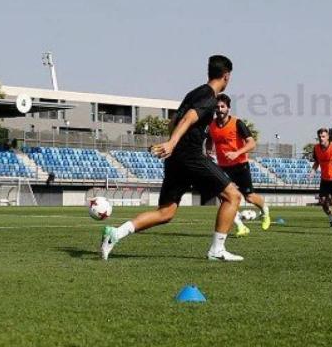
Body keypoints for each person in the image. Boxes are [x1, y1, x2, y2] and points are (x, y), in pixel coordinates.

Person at [100, 55, 245, 262]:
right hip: (190, 155)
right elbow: (189, 118)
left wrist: (171, 143)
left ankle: (116, 234)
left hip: (177, 158)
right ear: (226, 75)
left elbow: (174, 120)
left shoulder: (193, 93)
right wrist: (173, 143)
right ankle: (217, 250)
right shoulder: (209, 97)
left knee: (166, 212)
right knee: (233, 196)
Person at [209, 94, 271, 236]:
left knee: (249, 197)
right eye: (217, 107)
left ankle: (265, 211)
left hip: (240, 165)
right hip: (223, 167)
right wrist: (207, 149)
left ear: (228, 108)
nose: (219, 109)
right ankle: (241, 227)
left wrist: (237, 153)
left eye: (222, 106)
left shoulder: (237, 123)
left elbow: (252, 143)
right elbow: (209, 139)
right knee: (225, 198)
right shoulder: (211, 125)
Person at [310, 128, 332, 227]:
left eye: (323, 136)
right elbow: (316, 162)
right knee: (323, 201)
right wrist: (312, 171)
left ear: (328, 137)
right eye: (320, 137)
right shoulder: (316, 148)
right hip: (324, 179)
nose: (321, 138)